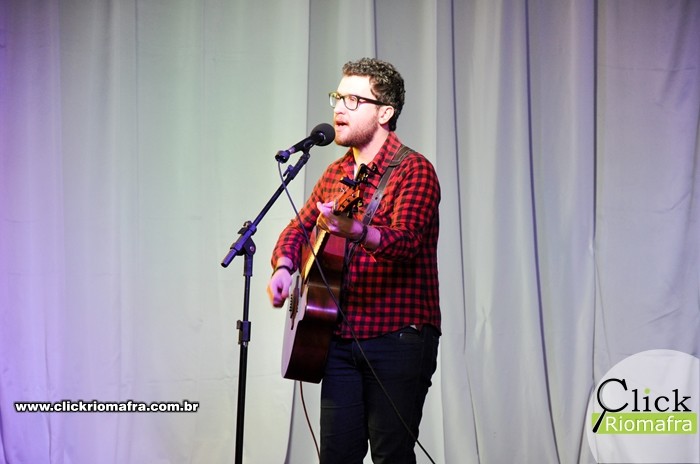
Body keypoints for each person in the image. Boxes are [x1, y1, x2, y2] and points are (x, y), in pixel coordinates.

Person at [267, 57, 441, 464]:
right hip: (340, 337)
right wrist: (284, 268)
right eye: (337, 97)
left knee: (391, 457)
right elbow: (298, 228)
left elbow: (407, 242)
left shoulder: (414, 170)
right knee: (336, 457)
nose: (339, 109)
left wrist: (356, 230)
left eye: (353, 100)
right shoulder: (336, 171)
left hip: (398, 337)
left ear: (385, 113)